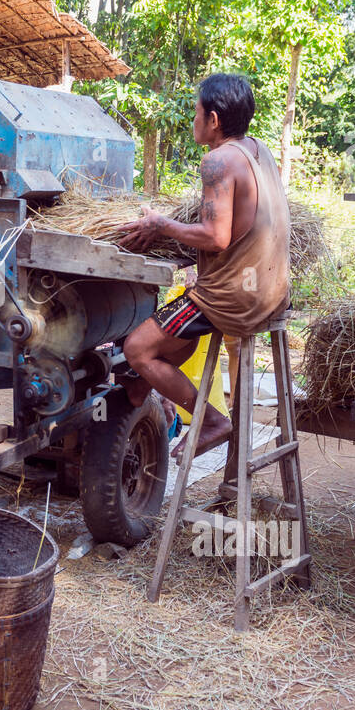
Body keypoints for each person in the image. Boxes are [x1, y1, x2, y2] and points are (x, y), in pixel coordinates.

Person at [116, 74, 291, 459]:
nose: (193, 120)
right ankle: (145, 388)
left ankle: (211, 420)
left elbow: (216, 237)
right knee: (163, 346)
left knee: (138, 349)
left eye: (196, 113)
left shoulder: (217, 160)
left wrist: (159, 224)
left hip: (233, 298)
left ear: (213, 119)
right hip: (273, 289)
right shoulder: (258, 150)